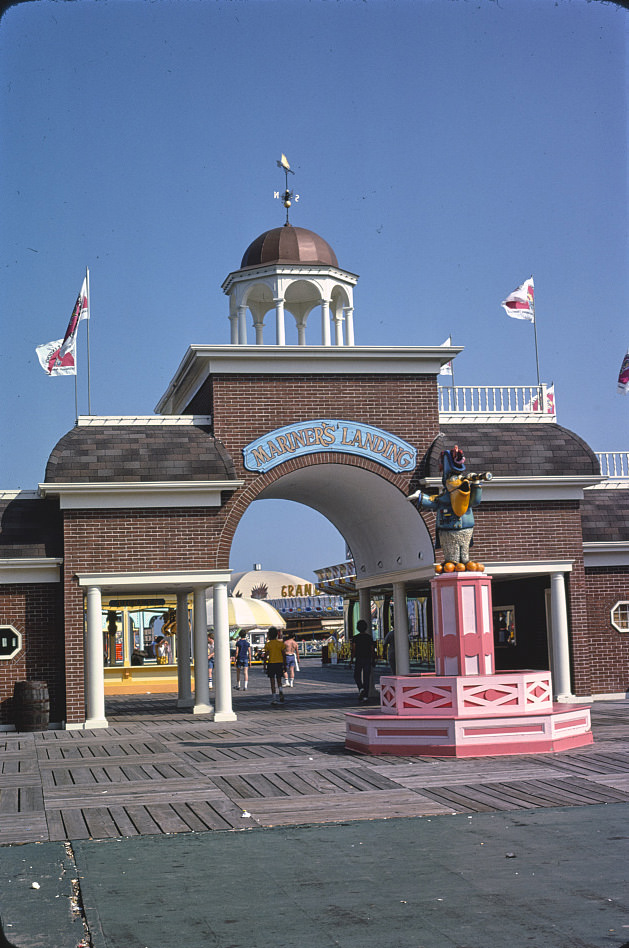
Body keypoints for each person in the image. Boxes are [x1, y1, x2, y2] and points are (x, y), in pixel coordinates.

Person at [351, 619, 376, 701]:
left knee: (356, 675)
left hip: (359, 658)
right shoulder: (369, 637)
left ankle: (361, 688)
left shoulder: (355, 638)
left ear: (358, 628)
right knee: (366, 677)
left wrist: (351, 659)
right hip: (368, 658)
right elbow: (372, 649)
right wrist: (373, 659)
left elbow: (353, 650)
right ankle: (365, 696)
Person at [263, 627, 286, 706]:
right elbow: (284, 655)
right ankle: (281, 690)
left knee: (272, 682)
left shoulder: (268, 644)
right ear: (277, 634)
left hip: (271, 663)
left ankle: (274, 699)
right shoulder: (280, 644)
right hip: (279, 663)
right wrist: (285, 665)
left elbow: (265, 656)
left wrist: (264, 666)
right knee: (279, 680)